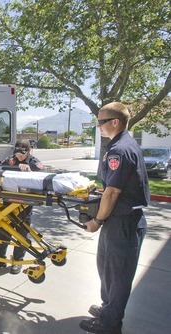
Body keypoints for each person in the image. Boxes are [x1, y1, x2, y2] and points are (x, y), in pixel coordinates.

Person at [79, 102, 150, 334]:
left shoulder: (119, 150)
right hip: (119, 220)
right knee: (108, 269)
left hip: (123, 222)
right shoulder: (124, 144)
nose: (98, 126)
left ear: (115, 122)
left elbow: (113, 191)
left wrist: (97, 221)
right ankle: (108, 308)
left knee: (118, 275)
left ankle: (109, 324)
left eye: (101, 122)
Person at [0, 139, 44, 274]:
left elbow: (41, 181)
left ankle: (18, 261)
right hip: (9, 199)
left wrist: (30, 173)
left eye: (22, 153)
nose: (19, 155)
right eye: (17, 152)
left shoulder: (34, 163)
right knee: (3, 228)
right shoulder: (11, 160)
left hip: (24, 203)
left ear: (29, 151)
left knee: (21, 231)